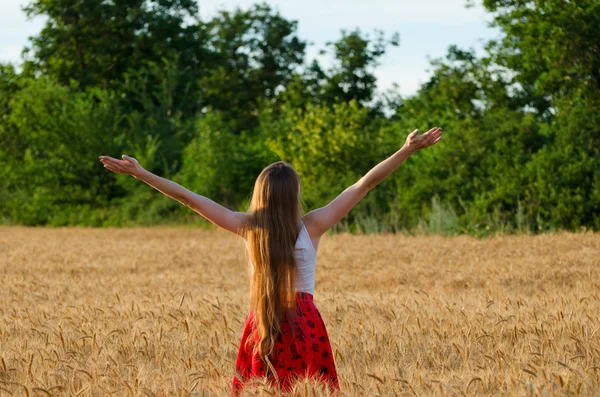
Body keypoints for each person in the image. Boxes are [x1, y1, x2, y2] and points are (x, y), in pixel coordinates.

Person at [99, 126, 442, 394]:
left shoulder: (248, 227)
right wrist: (406, 150)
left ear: (260, 194)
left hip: (262, 320)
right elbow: (365, 184)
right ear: (294, 195)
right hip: (305, 322)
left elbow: (189, 198)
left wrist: (141, 173)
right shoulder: (313, 225)